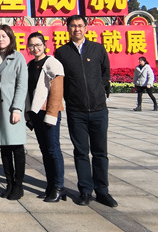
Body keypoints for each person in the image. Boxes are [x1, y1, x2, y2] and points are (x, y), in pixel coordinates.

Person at [54, 15, 117, 208]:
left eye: (80, 25)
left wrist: (99, 89)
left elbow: (106, 72)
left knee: (100, 152)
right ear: (68, 29)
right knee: (81, 152)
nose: (77, 29)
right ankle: (85, 191)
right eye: (73, 26)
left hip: (99, 110)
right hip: (76, 111)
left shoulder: (97, 49)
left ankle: (103, 191)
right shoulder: (62, 53)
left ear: (86, 28)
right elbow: (59, 79)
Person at [26, 32, 66, 202]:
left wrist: (51, 115)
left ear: (44, 45)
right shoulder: (30, 64)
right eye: (32, 45)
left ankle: (59, 187)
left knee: (53, 150)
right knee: (45, 150)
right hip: (36, 113)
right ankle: (50, 186)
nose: (35, 48)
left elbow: (56, 92)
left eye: (38, 44)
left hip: (49, 112)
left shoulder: (52, 63)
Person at [0, 25, 28, 201]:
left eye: (4, 36)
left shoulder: (17, 57)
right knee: (4, 147)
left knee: (17, 147)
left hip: (12, 108)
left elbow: (22, 85)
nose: (0, 39)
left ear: (10, 38)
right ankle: (9, 183)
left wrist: (17, 108)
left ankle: (18, 185)